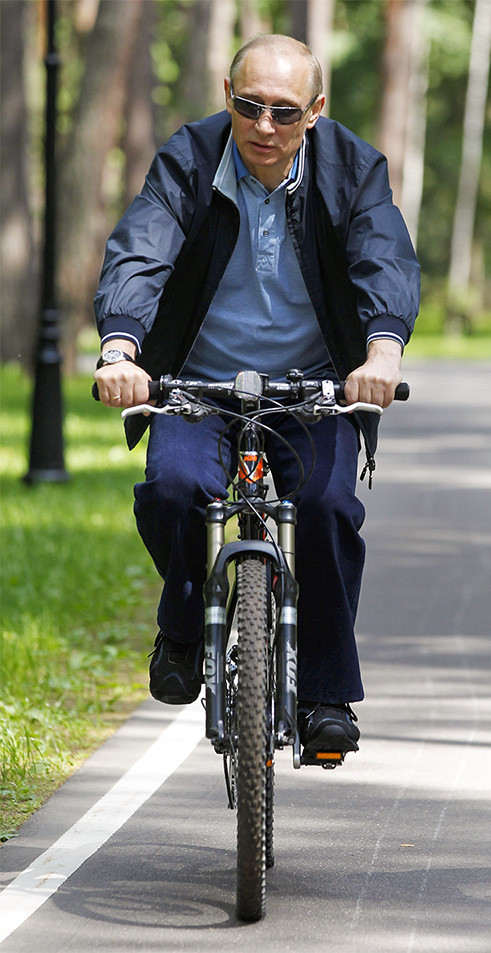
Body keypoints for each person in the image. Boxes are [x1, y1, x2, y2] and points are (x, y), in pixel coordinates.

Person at [93, 34, 419, 762]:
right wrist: (121, 348)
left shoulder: (351, 168)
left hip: (315, 386)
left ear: (316, 110)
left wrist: (382, 349)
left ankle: (326, 695)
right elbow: (141, 247)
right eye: (248, 106)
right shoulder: (189, 157)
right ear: (227, 97)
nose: (263, 126)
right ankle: (182, 627)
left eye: (284, 110)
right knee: (176, 488)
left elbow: (383, 256)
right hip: (197, 383)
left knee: (330, 508)